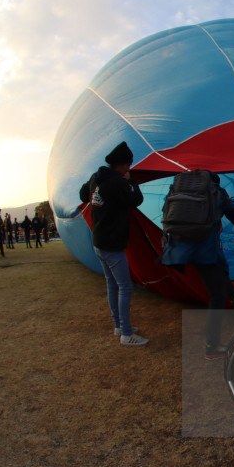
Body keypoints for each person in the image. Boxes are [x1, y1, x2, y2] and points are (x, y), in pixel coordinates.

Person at [161, 170, 234, 359]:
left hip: (179, 248)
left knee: (218, 271)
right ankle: (213, 345)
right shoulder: (216, 192)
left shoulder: (176, 191)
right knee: (216, 294)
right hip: (204, 249)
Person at [79, 141, 148, 346]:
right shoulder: (117, 182)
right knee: (125, 287)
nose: (129, 168)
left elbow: (83, 195)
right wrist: (132, 182)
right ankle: (126, 334)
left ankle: (118, 325)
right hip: (111, 244)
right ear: (120, 165)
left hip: (98, 241)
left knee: (112, 284)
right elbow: (136, 201)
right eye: (128, 165)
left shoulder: (96, 178)